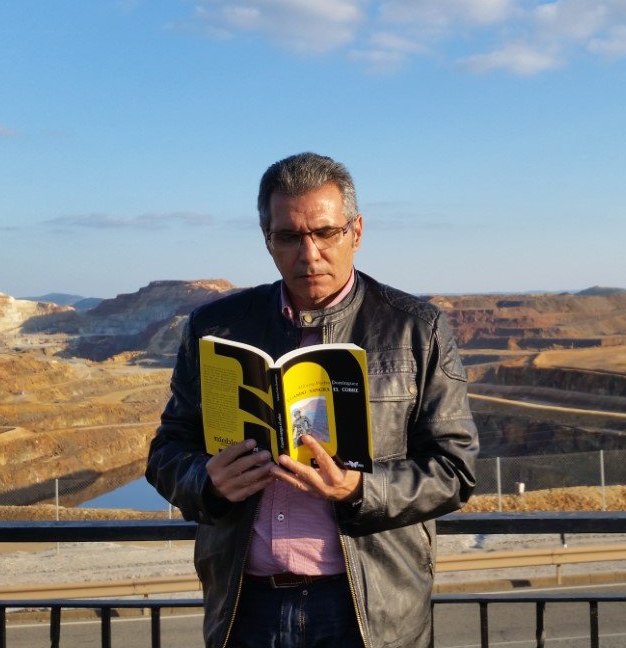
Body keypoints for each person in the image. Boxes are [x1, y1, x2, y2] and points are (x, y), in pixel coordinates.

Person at [146, 152, 479, 648]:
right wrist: (206, 481)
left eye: (326, 233)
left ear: (356, 232)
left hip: (366, 609)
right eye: (289, 237)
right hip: (246, 607)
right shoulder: (215, 328)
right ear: (268, 240)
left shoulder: (417, 329)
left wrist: (359, 489)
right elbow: (167, 451)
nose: (309, 254)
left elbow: (455, 471)